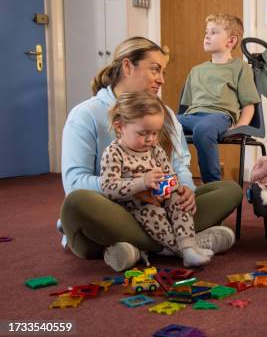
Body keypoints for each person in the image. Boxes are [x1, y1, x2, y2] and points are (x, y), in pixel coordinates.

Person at [60, 37, 243, 270]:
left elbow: (178, 165)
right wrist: (137, 189)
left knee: (229, 190)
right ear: (127, 67)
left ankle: (136, 248)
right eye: (155, 69)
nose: (162, 80)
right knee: (77, 203)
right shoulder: (86, 114)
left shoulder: (164, 114)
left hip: (162, 207)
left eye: (163, 72)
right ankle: (184, 244)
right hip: (115, 209)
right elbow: (75, 182)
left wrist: (185, 189)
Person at [100, 92, 212, 269]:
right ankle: (182, 250)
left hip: (161, 198)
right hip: (134, 206)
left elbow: (169, 174)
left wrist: (177, 188)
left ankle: (188, 246)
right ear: (120, 127)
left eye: (155, 133)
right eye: (143, 133)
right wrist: (142, 182)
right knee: (154, 213)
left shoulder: (155, 149)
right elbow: (108, 187)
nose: (151, 139)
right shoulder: (114, 153)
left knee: (179, 203)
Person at [178, 13, 260, 182]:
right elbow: (185, 108)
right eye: (206, 32)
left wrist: (240, 126)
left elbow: (249, 104)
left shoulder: (240, 68)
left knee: (203, 128)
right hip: (193, 116)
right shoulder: (196, 70)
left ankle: (213, 185)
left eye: (214, 32)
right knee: (161, 122)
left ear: (231, 41)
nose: (207, 35)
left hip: (220, 117)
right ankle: (174, 180)